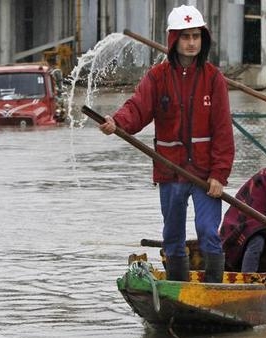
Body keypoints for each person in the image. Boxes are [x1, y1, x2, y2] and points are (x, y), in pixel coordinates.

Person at [98, 5, 234, 283]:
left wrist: (220, 174)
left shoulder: (213, 79)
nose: (192, 43)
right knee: (172, 234)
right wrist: (117, 122)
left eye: (196, 36)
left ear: (203, 38)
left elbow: (222, 131)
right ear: (174, 40)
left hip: (206, 174)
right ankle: (179, 288)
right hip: (170, 170)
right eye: (186, 37)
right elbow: (137, 108)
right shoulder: (157, 77)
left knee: (208, 230)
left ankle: (213, 290)